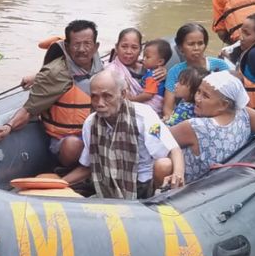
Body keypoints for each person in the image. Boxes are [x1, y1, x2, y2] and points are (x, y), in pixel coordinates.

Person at [0, 20, 103, 167]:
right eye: (76, 44)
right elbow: (29, 109)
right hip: (66, 140)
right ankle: (70, 174)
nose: (82, 49)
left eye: (87, 44)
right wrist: (8, 126)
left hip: (96, 135)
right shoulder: (54, 74)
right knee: (72, 144)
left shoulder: (101, 67)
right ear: (68, 47)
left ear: (95, 47)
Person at [62, 70, 185, 199]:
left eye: (107, 96)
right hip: (107, 183)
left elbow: (173, 150)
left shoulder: (144, 116)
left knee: (164, 164)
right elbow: (87, 166)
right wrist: (60, 184)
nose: (100, 103)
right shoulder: (91, 123)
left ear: (123, 94)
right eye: (94, 96)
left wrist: (178, 173)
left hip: (142, 184)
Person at [163, 23, 229, 118]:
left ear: (205, 45)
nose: (196, 48)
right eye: (191, 44)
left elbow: (228, 100)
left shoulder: (219, 66)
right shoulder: (175, 71)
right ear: (180, 48)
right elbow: (168, 108)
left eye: (200, 43)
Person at [137, 39, 172, 114]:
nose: (143, 59)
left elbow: (148, 95)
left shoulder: (154, 75)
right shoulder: (151, 70)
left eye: (147, 57)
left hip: (152, 105)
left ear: (160, 62)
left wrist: (131, 99)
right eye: (144, 56)